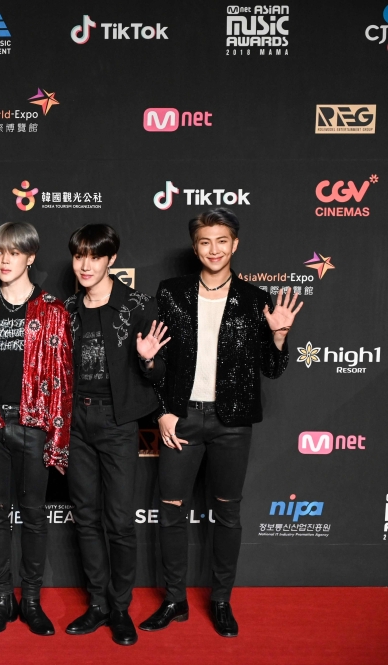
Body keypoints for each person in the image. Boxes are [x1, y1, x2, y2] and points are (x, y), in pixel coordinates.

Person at [140, 208, 302, 638]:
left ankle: (221, 600)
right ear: (195, 247)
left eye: (222, 240)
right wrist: (163, 411)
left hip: (233, 423)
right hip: (183, 417)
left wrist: (280, 337)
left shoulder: (255, 299)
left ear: (235, 244)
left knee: (228, 513)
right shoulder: (171, 292)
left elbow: (272, 368)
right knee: (170, 510)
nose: (214, 249)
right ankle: (174, 600)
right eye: (205, 241)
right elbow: (159, 362)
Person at [0, 222, 72, 636]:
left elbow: (62, 379)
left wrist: (56, 436)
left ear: (30, 257)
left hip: (35, 425)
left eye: (14, 253)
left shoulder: (54, 310)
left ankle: (33, 601)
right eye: (0, 252)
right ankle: (2, 600)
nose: (5, 260)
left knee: (35, 515)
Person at [61, 225, 170, 646]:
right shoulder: (67, 308)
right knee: (85, 518)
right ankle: (97, 605)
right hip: (75, 422)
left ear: (111, 259)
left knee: (120, 521)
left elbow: (160, 373)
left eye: (94, 256)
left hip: (119, 422)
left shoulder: (139, 305)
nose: (85, 265)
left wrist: (147, 362)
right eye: (78, 256)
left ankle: (120, 607)